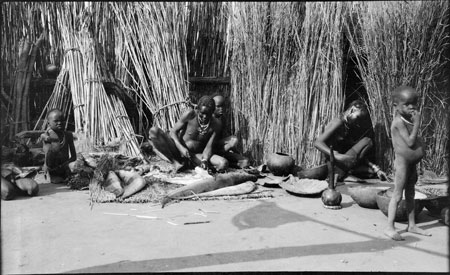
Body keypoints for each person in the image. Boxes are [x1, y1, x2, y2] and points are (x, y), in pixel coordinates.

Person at [384, 85, 431, 240]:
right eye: (406, 104)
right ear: (396, 106)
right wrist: (418, 122)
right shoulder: (398, 122)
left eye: (414, 103)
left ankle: (411, 225)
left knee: (410, 193)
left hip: (411, 163)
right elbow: (410, 143)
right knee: (397, 194)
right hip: (402, 163)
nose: (411, 107)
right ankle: (389, 227)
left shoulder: (407, 119)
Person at [312, 100, 388, 182]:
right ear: (352, 110)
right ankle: (338, 174)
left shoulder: (347, 126)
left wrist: (375, 168)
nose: (357, 121)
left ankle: (343, 174)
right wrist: (336, 155)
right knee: (367, 141)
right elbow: (317, 142)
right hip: (333, 163)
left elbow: (356, 154)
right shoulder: (338, 122)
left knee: (371, 170)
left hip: (341, 163)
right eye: (358, 117)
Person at [148, 95, 228, 173]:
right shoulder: (190, 114)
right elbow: (173, 131)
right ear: (197, 109)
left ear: (212, 111)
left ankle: (196, 165)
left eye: (208, 114)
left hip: (196, 155)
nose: (204, 117)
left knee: (223, 163)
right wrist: (181, 148)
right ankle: (175, 162)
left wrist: (205, 160)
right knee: (154, 131)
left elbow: (208, 147)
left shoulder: (216, 124)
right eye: (202, 113)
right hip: (178, 151)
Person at [212, 94, 250, 169]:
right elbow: (209, 144)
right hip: (211, 152)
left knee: (246, 161)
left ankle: (228, 163)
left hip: (222, 150)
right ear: (212, 107)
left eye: (223, 106)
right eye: (218, 106)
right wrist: (227, 141)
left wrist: (235, 151)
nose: (221, 109)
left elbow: (224, 137)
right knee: (223, 163)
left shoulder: (222, 119)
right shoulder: (209, 121)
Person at [40, 108, 77, 183]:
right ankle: (53, 176)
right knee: (58, 180)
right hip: (52, 168)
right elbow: (44, 138)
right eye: (56, 121)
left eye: (62, 120)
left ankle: (66, 175)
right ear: (48, 123)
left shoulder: (68, 135)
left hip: (65, 166)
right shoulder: (46, 136)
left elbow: (74, 156)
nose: (60, 123)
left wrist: (66, 164)